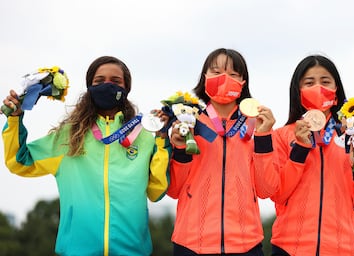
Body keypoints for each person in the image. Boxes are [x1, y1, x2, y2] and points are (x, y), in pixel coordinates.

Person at [1, 56, 172, 256]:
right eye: (99, 81)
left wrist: (162, 140)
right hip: (78, 250)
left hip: (132, 250)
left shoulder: (142, 136)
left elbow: (156, 191)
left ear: (126, 88)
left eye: (115, 81)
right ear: (90, 87)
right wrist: (15, 119)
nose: (107, 85)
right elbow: (19, 162)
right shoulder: (68, 136)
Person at [167, 48, 277, 255]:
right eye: (216, 72)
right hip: (191, 243)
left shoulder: (257, 124)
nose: (224, 78)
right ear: (204, 77)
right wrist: (181, 148)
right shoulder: (188, 121)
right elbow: (174, 189)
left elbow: (266, 189)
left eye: (233, 74)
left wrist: (264, 136)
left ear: (243, 82)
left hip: (246, 244)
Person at [266, 54, 354, 256]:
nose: (318, 88)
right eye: (309, 82)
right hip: (289, 248)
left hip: (343, 249)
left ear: (336, 92)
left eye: (325, 82)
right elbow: (278, 193)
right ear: (298, 92)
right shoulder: (282, 136)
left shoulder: (351, 135)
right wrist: (299, 148)